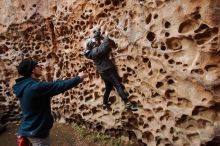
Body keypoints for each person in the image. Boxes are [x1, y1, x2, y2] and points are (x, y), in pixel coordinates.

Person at [13, 59, 87, 146]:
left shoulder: (25, 85)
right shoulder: (34, 87)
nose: (40, 67)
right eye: (37, 66)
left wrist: (62, 81)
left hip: (28, 128)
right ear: (33, 70)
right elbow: (56, 87)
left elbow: (50, 86)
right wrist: (78, 78)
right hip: (37, 132)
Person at [84, 28, 138, 111]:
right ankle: (127, 103)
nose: (97, 42)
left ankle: (104, 104)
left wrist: (98, 32)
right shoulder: (97, 50)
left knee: (108, 88)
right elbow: (105, 44)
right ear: (93, 45)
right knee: (118, 85)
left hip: (102, 73)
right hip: (109, 71)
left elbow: (96, 41)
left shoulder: (90, 53)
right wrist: (106, 35)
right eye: (96, 42)